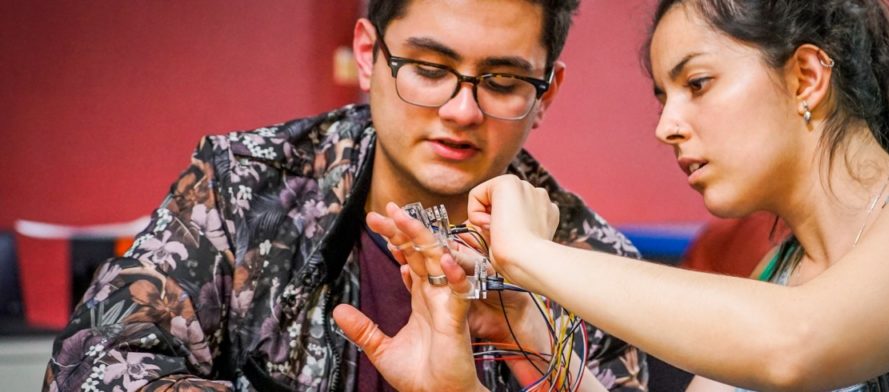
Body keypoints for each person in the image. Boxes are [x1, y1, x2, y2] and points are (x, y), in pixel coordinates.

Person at [341, 0, 889, 390]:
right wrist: (527, 343)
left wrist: (521, 250)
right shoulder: (777, 280)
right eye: (662, 96)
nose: (666, 125)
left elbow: (798, 344)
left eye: (696, 84)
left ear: (808, 76)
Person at [42, 1, 650, 390]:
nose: (461, 110)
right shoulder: (245, 183)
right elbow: (91, 369)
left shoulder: (593, 264)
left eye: (504, 81)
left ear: (545, 93)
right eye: (430, 70)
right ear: (369, 55)